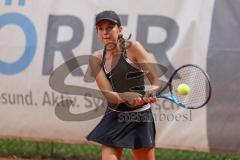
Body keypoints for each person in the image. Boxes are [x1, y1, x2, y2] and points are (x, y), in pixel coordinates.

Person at [87, 10, 163, 160]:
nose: (105, 32)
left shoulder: (133, 48)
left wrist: (150, 92)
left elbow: (156, 81)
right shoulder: (95, 59)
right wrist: (126, 96)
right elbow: (110, 95)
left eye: (110, 27)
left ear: (120, 30)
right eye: (101, 29)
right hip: (114, 117)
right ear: (97, 32)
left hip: (140, 117)